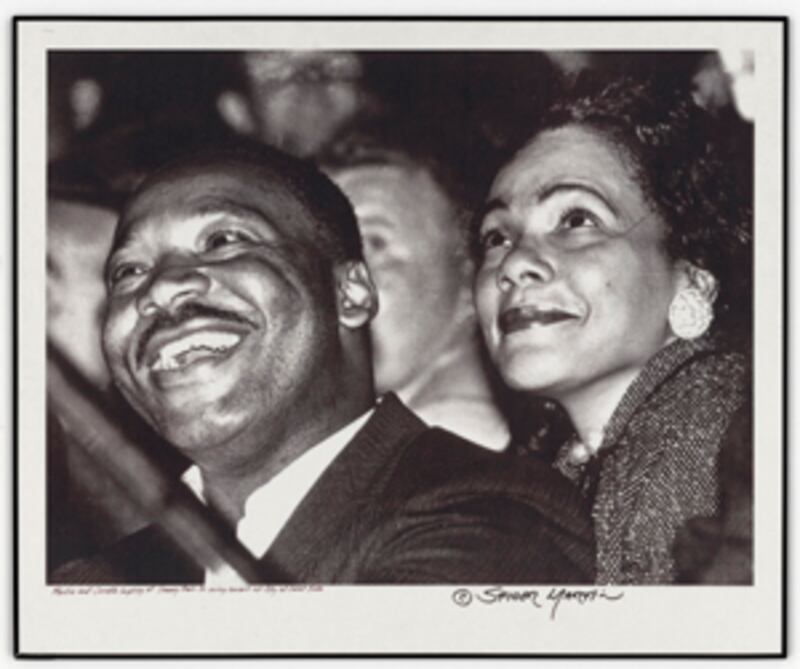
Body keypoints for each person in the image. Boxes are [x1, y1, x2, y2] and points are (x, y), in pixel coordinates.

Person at [54, 142, 594, 584]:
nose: (162, 287)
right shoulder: (94, 580)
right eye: (127, 272)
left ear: (351, 292)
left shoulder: (494, 518)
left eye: (222, 240)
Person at [473, 75, 751, 584]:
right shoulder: (562, 466)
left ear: (691, 273)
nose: (515, 265)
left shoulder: (721, 442)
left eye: (577, 219)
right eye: (496, 237)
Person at [321, 127, 509, 450]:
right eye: (322, 252)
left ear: (469, 278)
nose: (334, 287)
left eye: (375, 244)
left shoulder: (446, 463)